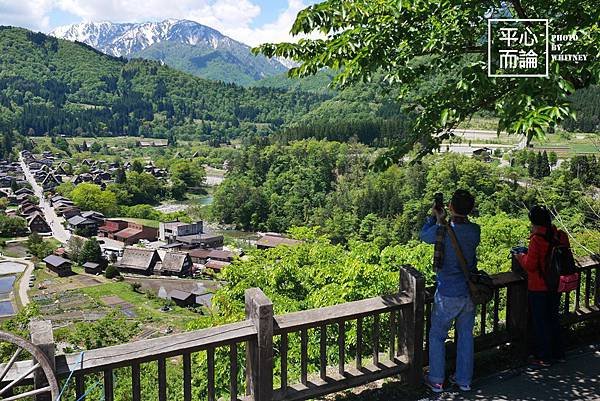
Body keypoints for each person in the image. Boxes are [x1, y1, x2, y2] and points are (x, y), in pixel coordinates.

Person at [420, 189, 480, 393]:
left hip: (447, 293)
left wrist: (434, 218)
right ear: (471, 209)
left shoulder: (443, 230)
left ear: (450, 207)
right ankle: (464, 380)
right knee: (465, 335)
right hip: (468, 292)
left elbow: (424, 236)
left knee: (437, 336)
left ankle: (436, 379)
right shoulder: (475, 231)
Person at [514, 205, 567, 367]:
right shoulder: (560, 235)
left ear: (534, 221)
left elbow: (530, 265)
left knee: (540, 322)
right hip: (556, 284)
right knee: (553, 318)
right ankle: (558, 353)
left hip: (539, 287)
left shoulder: (537, 239)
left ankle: (544, 357)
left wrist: (520, 256)